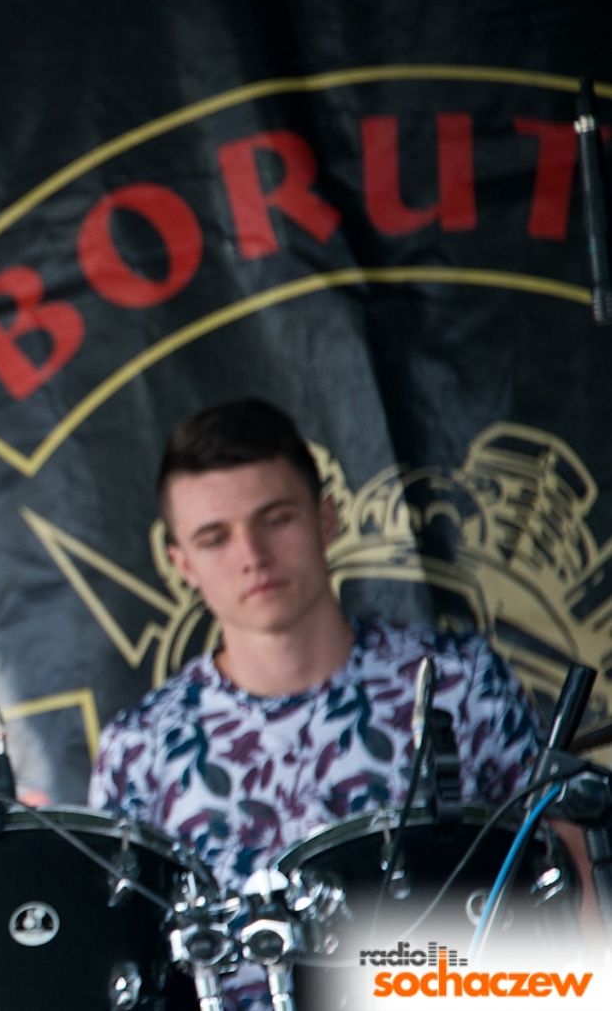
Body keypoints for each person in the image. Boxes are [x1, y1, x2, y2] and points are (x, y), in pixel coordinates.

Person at [88, 398, 549, 1008]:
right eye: (214, 538)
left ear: (326, 518)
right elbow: (124, 966)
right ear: (182, 564)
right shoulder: (140, 749)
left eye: (276, 519)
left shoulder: (456, 681)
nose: (252, 555)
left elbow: (565, 867)